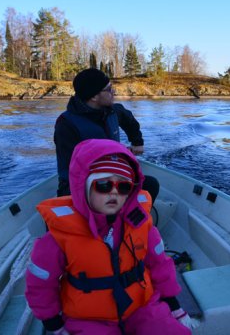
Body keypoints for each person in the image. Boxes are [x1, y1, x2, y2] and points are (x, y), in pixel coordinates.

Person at [26, 139, 194, 334]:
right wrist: (53, 324)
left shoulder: (141, 225)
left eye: (123, 187)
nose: (114, 192)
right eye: (103, 185)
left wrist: (174, 305)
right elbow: (40, 284)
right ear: (84, 187)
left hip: (141, 307)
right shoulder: (57, 238)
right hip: (88, 318)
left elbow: (160, 265)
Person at [55, 68, 158, 200]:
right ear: (94, 96)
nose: (114, 92)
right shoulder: (66, 124)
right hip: (78, 182)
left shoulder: (114, 111)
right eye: (109, 89)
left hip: (112, 174)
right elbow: (72, 167)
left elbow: (130, 121)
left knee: (151, 185)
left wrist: (137, 142)